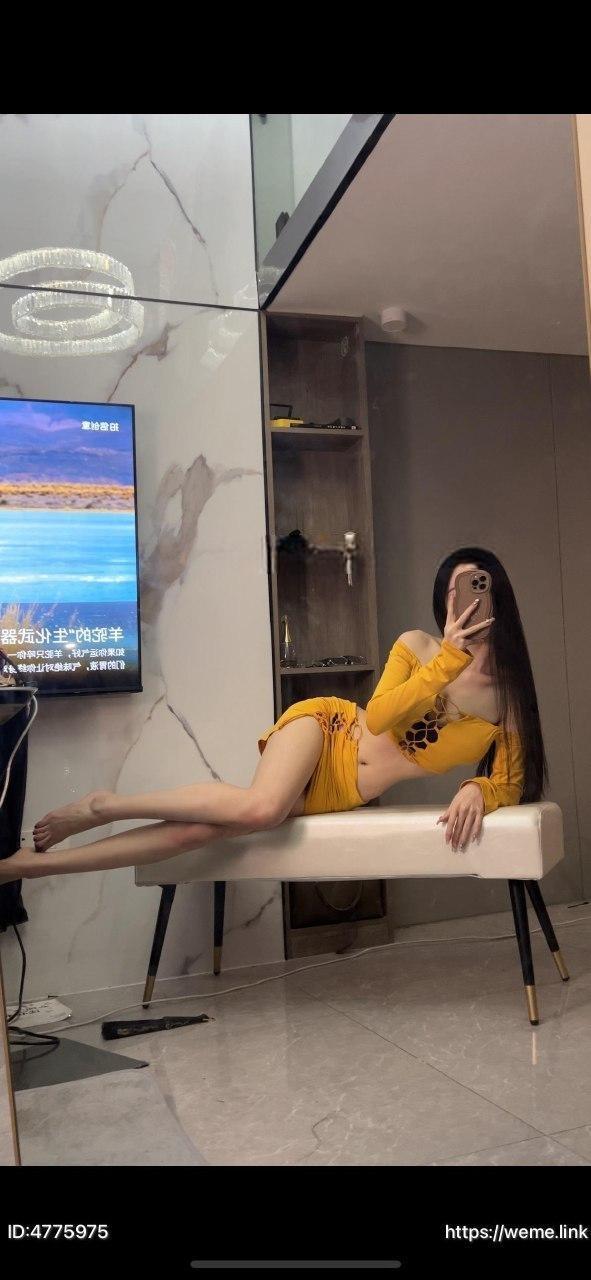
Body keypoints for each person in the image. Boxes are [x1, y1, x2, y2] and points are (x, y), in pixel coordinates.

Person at [0, 546, 548, 886]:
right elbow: (380, 717)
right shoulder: (418, 646)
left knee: (198, 832)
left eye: (475, 589)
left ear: (497, 598)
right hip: (330, 730)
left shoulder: (508, 699)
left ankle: (31, 865)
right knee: (262, 808)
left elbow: (510, 780)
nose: (465, 602)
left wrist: (477, 788)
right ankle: (107, 807)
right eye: (454, 592)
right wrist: (448, 660)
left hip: (344, 790)